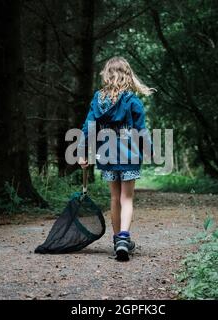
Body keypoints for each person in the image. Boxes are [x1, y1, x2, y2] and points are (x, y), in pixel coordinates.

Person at [78, 56, 155, 261]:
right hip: (129, 154)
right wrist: (150, 151)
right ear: (127, 75)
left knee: (114, 198)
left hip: (107, 154)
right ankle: (124, 238)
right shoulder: (132, 100)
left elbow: (88, 127)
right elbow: (141, 131)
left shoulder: (98, 99)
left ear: (107, 75)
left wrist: (82, 151)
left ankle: (116, 241)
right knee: (126, 198)